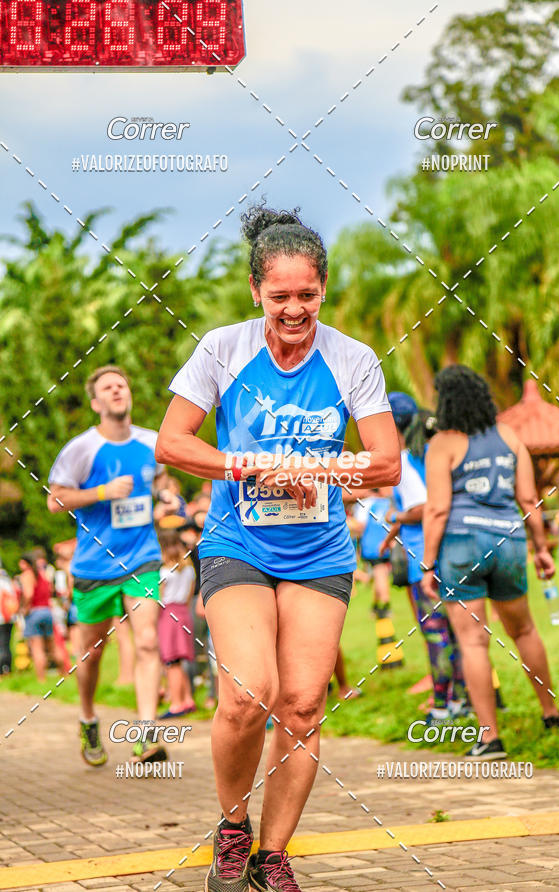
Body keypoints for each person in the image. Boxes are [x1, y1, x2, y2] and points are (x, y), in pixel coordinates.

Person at [155, 205, 401, 892]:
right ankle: (232, 830)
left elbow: (385, 460)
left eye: (308, 295)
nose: (295, 309)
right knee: (245, 694)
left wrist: (317, 469)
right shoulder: (222, 349)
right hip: (238, 542)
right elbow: (174, 442)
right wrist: (249, 466)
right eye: (280, 295)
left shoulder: (352, 359)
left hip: (319, 552)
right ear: (256, 291)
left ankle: (273, 857)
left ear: (324, 289)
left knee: (300, 705)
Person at [421, 365, 559, 760]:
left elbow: (437, 509)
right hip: (509, 541)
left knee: (472, 641)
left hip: (461, 544)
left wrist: (428, 564)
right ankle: (552, 713)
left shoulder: (442, 444)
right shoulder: (509, 436)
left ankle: (490, 738)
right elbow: (528, 500)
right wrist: (541, 548)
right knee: (524, 631)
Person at [47, 365, 171, 767]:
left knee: (148, 641)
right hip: (94, 565)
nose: (118, 390)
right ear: (97, 403)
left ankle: (147, 736)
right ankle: (87, 717)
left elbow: (162, 482)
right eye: (108, 388)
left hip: (143, 559)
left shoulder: (152, 442)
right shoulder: (81, 449)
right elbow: (55, 500)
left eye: (123, 384)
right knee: (92, 655)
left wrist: (167, 498)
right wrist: (101, 491)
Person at [381, 395, 466, 724]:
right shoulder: (435, 452)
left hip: (423, 561)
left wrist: (396, 515)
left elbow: (421, 508)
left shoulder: (405, 460)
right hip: (451, 553)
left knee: (435, 635)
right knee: (457, 633)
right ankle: (461, 700)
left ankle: (442, 707)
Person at [157, 529, 197, 717]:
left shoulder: (164, 570)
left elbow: (160, 596)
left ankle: (176, 704)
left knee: (171, 661)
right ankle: (188, 699)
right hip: (184, 613)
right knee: (181, 660)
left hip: (168, 613)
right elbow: (189, 595)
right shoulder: (189, 569)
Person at [16, 552, 60, 681]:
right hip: (46, 611)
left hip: (34, 611)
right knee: (53, 646)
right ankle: (64, 673)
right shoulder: (42, 573)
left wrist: (24, 608)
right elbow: (50, 590)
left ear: (25, 563)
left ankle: (41, 679)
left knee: (37, 648)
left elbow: (29, 594)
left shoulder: (27, 575)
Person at [353, 488, 393, 618]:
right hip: (387, 542)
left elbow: (360, 525)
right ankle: (376, 606)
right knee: (380, 574)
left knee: (380, 573)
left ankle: (385, 606)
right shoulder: (387, 503)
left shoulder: (365, 503)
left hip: (372, 544)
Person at [0, 557, 18, 675]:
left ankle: (2, 669)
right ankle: (8, 669)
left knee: (2, 644)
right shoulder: (7, 579)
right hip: (10, 617)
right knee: (6, 643)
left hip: (2, 617)